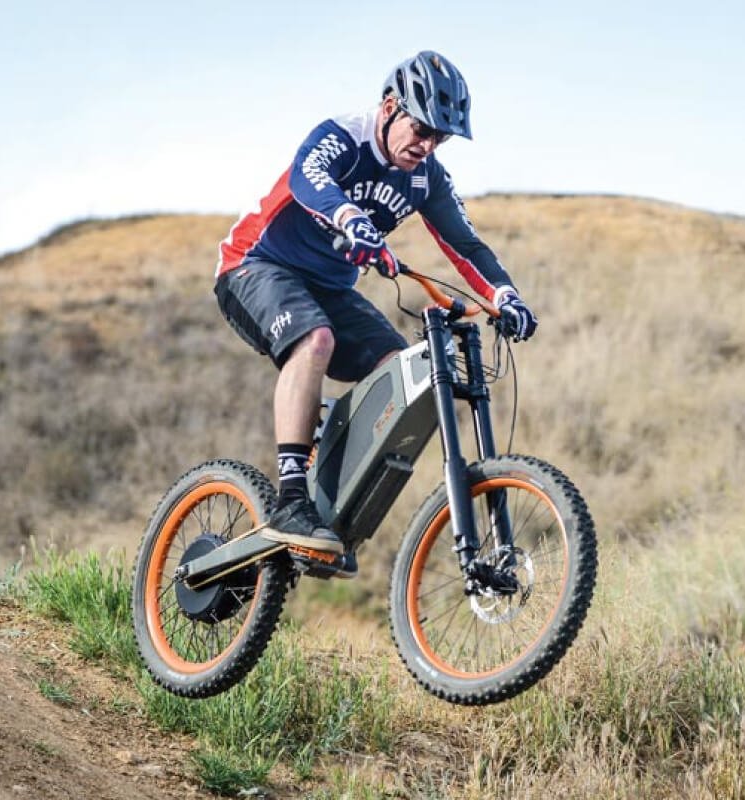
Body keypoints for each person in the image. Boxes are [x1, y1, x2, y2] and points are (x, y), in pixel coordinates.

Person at [213, 50, 538, 579]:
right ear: (390, 106)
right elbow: (307, 178)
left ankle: (327, 479)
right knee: (315, 340)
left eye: (440, 138)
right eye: (421, 128)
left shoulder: (426, 177)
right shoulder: (343, 135)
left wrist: (505, 296)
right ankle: (291, 496)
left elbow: (466, 246)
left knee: (400, 373)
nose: (427, 145)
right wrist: (349, 216)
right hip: (254, 266)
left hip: (329, 287)